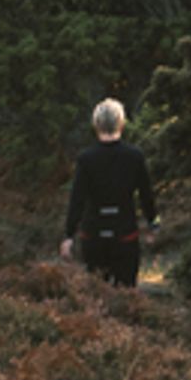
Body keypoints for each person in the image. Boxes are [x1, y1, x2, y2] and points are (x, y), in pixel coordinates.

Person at [61, 97, 157, 286]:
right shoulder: (134, 156)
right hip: (125, 234)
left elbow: (77, 200)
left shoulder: (85, 159)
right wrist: (153, 224)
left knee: (97, 293)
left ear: (96, 124)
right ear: (121, 123)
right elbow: (146, 195)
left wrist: (68, 236)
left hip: (93, 234)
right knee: (127, 291)